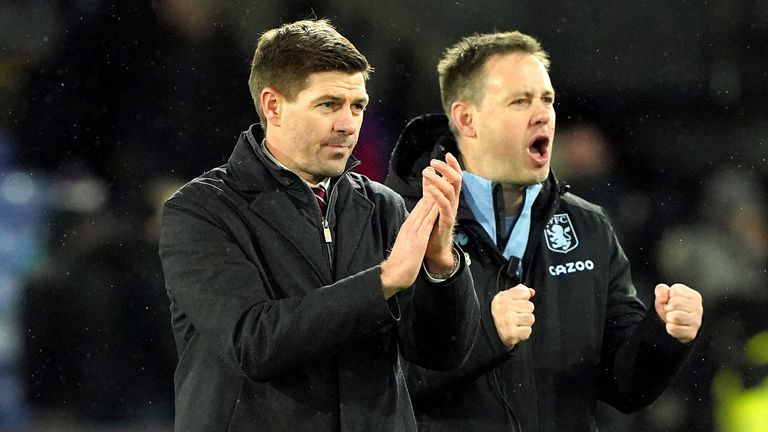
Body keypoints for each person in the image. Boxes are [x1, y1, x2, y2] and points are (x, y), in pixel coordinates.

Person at [158, 19, 480, 432]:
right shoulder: (201, 211)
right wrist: (381, 282)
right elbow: (253, 344)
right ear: (273, 106)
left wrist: (442, 265)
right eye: (328, 105)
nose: (348, 124)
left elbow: (440, 355)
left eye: (358, 106)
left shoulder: (382, 206)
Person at [385, 30, 703, 431]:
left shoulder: (588, 225)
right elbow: (379, 386)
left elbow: (624, 387)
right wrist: (487, 335)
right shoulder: (398, 222)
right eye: (520, 101)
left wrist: (664, 335)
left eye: (547, 100)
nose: (542, 114)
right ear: (467, 118)